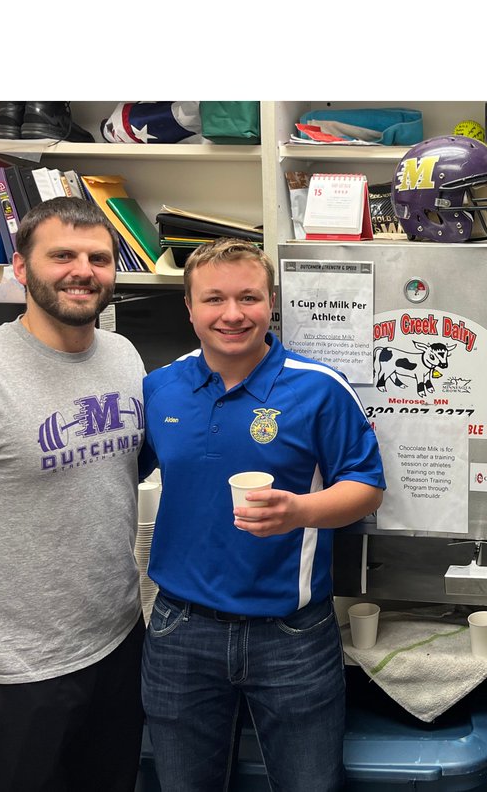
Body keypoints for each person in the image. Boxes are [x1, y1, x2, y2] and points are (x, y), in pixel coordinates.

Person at [0, 197, 146, 792]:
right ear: (21, 268)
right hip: (11, 669)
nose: (82, 271)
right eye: (61, 255)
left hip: (117, 641)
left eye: (98, 257)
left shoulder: (124, 357)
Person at [139, 236, 384, 792]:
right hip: (180, 631)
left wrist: (301, 510)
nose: (232, 314)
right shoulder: (158, 389)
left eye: (248, 297)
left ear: (272, 301)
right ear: (189, 307)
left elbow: (367, 488)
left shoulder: (319, 388)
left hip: (292, 633)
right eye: (214, 299)